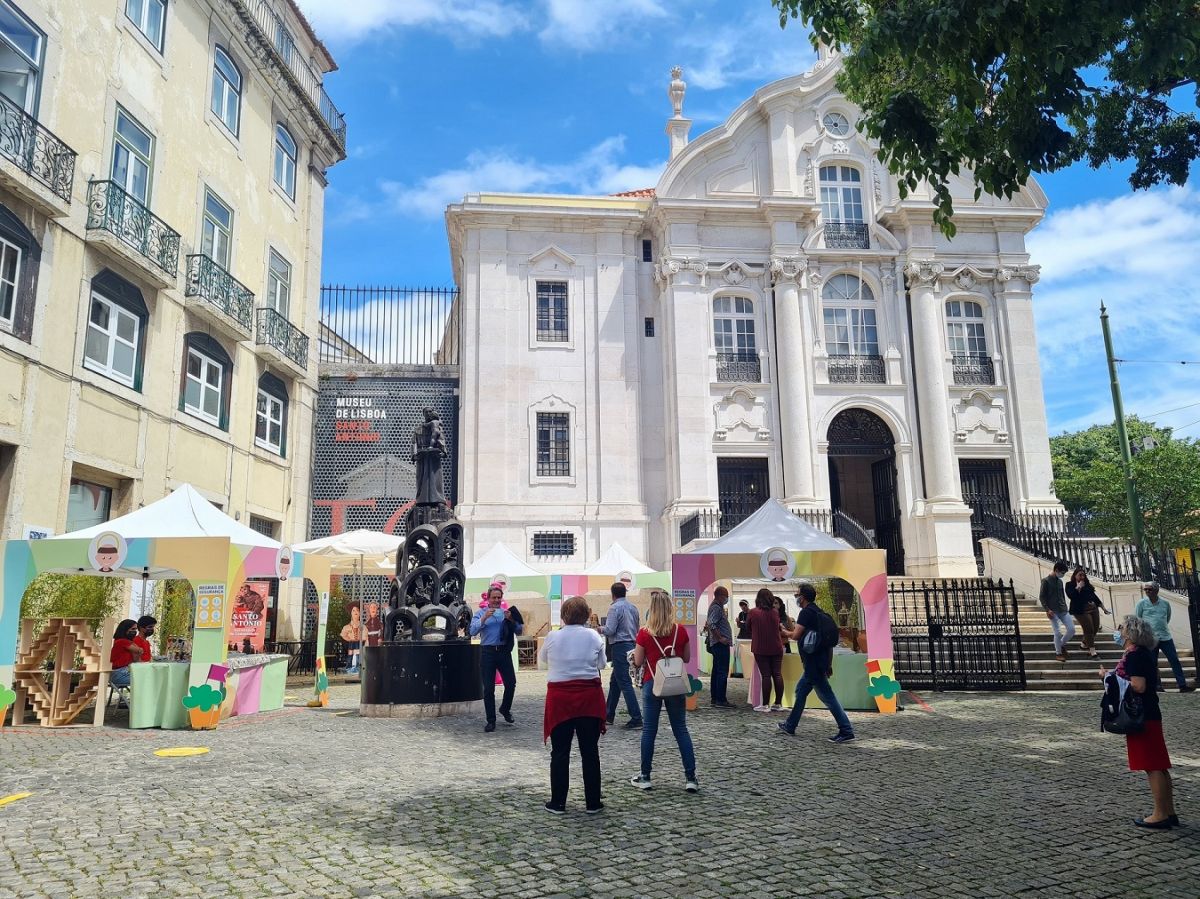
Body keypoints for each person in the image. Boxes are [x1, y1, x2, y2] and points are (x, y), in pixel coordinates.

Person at [1102, 615, 1180, 828]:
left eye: (1121, 627)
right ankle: (1169, 811)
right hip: (1150, 712)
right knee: (1159, 765)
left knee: (1152, 766)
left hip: (1142, 714)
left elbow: (1138, 686)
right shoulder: (1142, 653)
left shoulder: (1135, 656)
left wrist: (1109, 677)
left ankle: (1160, 814)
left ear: (1129, 632)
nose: (1118, 631)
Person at [540, 595, 607, 815]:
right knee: (590, 751)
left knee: (560, 752)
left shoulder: (552, 637)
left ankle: (558, 802)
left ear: (564, 615)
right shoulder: (594, 636)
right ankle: (593, 802)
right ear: (586, 614)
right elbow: (602, 664)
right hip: (588, 696)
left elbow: (543, 660)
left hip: (560, 699)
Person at [630, 589, 698, 793]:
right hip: (675, 684)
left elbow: (639, 661)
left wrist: (634, 656)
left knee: (649, 730)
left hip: (653, 683)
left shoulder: (644, 632)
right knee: (681, 730)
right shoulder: (680, 630)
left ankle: (645, 776)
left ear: (651, 610)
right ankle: (691, 777)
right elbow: (686, 658)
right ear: (670, 608)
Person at [778, 583, 856, 743]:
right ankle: (790, 725)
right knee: (801, 691)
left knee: (827, 696)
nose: (796, 598)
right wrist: (828, 664)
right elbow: (827, 644)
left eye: (797, 595)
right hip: (818, 661)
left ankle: (846, 730)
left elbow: (796, 635)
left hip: (812, 663)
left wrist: (784, 631)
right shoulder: (820, 612)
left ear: (803, 597)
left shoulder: (806, 613)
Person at [470, 584, 517, 731]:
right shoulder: (480, 613)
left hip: (503, 652)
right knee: (489, 688)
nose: (496, 600)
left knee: (511, 684)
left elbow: (519, 630)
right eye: (494, 597)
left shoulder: (506, 613)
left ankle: (505, 708)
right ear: (488, 599)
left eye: (499, 597)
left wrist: (512, 620)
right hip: (488, 652)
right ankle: (491, 720)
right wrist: (484, 618)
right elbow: (472, 631)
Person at [1135, 582, 1194, 693]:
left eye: (1150, 589)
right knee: (1153, 663)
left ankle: (1182, 685)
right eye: (1145, 589)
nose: (1147, 591)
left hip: (1165, 636)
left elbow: (1167, 617)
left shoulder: (1165, 603)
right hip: (1150, 638)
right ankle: (1157, 685)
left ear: (1156, 590)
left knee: (1174, 660)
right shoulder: (1141, 603)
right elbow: (1138, 620)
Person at [603, 581, 643, 729]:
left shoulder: (614, 608)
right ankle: (608, 715)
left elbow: (610, 630)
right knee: (615, 682)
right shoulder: (633, 608)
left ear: (612, 594)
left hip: (619, 646)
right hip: (632, 645)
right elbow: (637, 627)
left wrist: (599, 629)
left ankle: (636, 717)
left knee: (624, 683)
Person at [748, 588, 784, 711]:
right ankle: (778, 703)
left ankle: (765, 704)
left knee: (766, 676)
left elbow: (748, 627)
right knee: (777, 674)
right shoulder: (775, 612)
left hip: (760, 647)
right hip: (776, 647)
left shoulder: (753, 612)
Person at [704, 586, 735, 708]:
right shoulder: (716, 608)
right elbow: (712, 624)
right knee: (722, 671)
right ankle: (720, 699)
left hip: (718, 644)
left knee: (717, 671)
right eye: (726, 596)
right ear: (720, 595)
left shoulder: (716, 607)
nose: (726, 599)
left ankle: (715, 698)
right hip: (720, 645)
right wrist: (721, 638)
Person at [1065, 567, 1106, 659]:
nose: (1082, 577)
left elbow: (1094, 596)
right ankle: (1092, 651)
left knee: (1095, 629)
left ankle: (1083, 644)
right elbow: (1071, 596)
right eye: (1080, 575)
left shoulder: (1087, 585)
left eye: (1083, 575)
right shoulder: (1069, 585)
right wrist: (1078, 587)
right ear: (1075, 576)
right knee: (1089, 629)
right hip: (1080, 610)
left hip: (1093, 608)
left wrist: (1102, 607)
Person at [1039, 561, 1075, 662]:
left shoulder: (1060, 582)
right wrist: (1047, 609)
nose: (1062, 575)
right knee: (1058, 632)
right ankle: (1058, 653)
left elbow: (1062, 595)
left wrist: (1065, 606)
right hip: (1052, 610)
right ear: (1056, 570)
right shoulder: (1045, 581)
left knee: (1071, 630)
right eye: (1062, 572)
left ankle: (1061, 645)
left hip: (1063, 609)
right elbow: (1042, 597)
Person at [109, 619, 141, 707]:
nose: (135, 632)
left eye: (135, 630)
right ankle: (140, 705)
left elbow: (136, 658)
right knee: (146, 679)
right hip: (119, 674)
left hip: (123, 672)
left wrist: (138, 652)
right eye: (133, 629)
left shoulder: (127, 642)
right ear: (125, 629)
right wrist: (138, 650)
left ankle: (138, 703)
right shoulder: (122, 642)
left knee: (146, 678)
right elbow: (138, 650)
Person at [340, 601, 363, 674]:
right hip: (351, 642)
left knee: (358, 654)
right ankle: (349, 666)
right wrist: (349, 639)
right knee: (350, 653)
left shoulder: (362, 626)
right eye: (353, 611)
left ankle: (357, 666)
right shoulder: (347, 626)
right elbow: (343, 634)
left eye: (357, 610)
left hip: (358, 642)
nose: (355, 612)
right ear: (351, 613)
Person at [732, 599, 750, 678]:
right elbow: (739, 626)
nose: (743, 607)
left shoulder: (751, 613)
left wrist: (744, 624)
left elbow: (750, 626)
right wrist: (738, 622)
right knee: (740, 652)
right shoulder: (741, 614)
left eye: (744, 605)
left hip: (750, 636)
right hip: (742, 635)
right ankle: (740, 669)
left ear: (747, 605)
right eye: (741, 606)